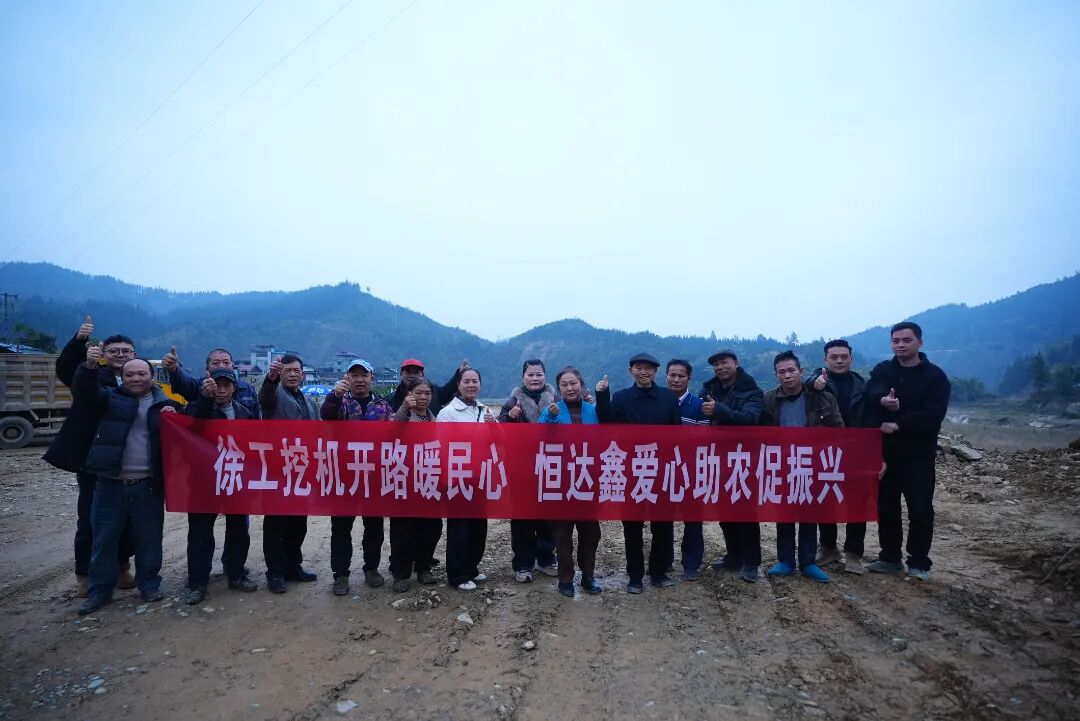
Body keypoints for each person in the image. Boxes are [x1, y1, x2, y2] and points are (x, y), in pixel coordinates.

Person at [73, 355, 184, 614]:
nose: (136, 378)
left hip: (148, 485)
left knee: (149, 539)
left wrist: (175, 417)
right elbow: (84, 392)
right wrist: (88, 366)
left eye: (141, 374)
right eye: (130, 374)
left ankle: (149, 584)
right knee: (103, 540)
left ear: (151, 377)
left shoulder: (166, 406)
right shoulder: (108, 399)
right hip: (109, 484)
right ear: (122, 378)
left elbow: (186, 434)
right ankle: (100, 591)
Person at [45, 317, 136, 597]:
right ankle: (84, 574)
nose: (120, 355)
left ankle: (121, 565)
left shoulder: (139, 378)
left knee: (126, 519)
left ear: (134, 354)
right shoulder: (90, 374)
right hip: (92, 460)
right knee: (89, 519)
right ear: (104, 354)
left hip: (128, 461)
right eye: (114, 351)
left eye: (126, 351)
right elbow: (65, 369)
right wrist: (80, 341)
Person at [865, 322, 951, 581]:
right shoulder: (884, 369)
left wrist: (899, 424)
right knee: (886, 509)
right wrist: (883, 399)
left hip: (918, 456)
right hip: (886, 456)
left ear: (919, 342)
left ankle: (919, 562)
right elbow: (871, 389)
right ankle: (890, 557)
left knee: (920, 510)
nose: (901, 345)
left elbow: (933, 414)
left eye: (906, 340)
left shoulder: (935, 377)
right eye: (896, 341)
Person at [595, 352, 682, 594]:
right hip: (631, 471)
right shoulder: (621, 397)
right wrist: (602, 394)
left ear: (656, 372)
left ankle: (658, 572)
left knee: (662, 526)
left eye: (648, 368)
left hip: (661, 470)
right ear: (631, 371)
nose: (644, 372)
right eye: (639, 368)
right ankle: (634, 576)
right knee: (632, 526)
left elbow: (678, 434)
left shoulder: (667, 397)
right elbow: (606, 421)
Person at [761, 351, 844, 583]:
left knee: (810, 514)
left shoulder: (822, 398)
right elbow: (760, 432)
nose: (787, 375)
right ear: (776, 375)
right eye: (782, 372)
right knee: (784, 515)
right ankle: (786, 561)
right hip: (781, 464)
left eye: (791, 370)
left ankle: (807, 562)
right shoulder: (769, 399)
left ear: (801, 371)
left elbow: (839, 430)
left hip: (812, 463)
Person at [183, 368, 259, 604]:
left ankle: (236, 574)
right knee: (200, 534)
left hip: (235, 479)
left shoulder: (244, 413)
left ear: (234, 388)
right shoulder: (196, 408)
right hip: (204, 482)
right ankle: (198, 583)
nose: (222, 390)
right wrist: (205, 399)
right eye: (217, 385)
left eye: (226, 385)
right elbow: (194, 428)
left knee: (238, 531)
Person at [319, 359, 394, 596]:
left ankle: (371, 569)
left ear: (372, 379)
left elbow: (394, 436)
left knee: (374, 527)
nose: (360, 380)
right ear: (347, 378)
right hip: (344, 478)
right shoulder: (339, 402)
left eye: (364, 375)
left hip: (374, 478)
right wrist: (335, 396)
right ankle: (341, 575)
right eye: (355, 375)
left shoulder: (383, 406)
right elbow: (326, 415)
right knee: (341, 528)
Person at [700, 349, 764, 583]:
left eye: (724, 362)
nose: (720, 367)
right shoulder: (709, 389)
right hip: (717, 458)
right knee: (725, 511)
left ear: (736, 363)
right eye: (716, 364)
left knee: (746, 512)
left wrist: (720, 411)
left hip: (744, 459)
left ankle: (751, 562)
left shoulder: (752, 391)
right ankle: (734, 556)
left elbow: (750, 420)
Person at [259, 354, 320, 594]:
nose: (293, 374)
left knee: (298, 524)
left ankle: (294, 566)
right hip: (278, 470)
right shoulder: (275, 395)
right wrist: (271, 379)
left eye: (296, 370)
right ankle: (275, 572)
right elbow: (265, 396)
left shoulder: (309, 401)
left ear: (302, 374)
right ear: (280, 373)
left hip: (302, 471)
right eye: (287, 371)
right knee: (276, 524)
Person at [539, 367, 603, 597]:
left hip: (587, 479)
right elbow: (535, 437)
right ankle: (565, 579)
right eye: (564, 384)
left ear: (581, 385)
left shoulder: (592, 410)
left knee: (590, 533)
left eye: (573, 383)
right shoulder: (552, 409)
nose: (569, 388)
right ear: (559, 388)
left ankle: (588, 576)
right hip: (561, 480)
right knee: (562, 533)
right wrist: (549, 417)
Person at [809, 339, 871, 574]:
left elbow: (871, 421)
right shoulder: (818, 382)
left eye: (844, 356)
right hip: (826, 452)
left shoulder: (862, 386)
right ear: (825, 360)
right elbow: (806, 382)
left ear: (851, 359)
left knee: (857, 503)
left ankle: (854, 553)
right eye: (834, 357)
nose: (839, 360)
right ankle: (828, 548)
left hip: (856, 451)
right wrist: (814, 382)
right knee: (825, 500)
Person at [436, 368, 497, 591]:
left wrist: (493, 426)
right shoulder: (447, 413)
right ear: (458, 385)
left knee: (478, 526)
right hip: (457, 477)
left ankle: (471, 567)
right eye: (466, 381)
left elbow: (500, 440)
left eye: (475, 381)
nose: (471, 385)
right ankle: (457, 574)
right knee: (459, 528)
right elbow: (441, 447)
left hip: (479, 476)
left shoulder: (485, 410)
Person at [498, 359, 558, 582]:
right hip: (521, 468)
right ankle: (523, 564)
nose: (535, 378)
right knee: (522, 517)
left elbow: (570, 426)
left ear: (545, 376)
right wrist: (509, 418)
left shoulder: (555, 399)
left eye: (539, 374)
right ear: (523, 377)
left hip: (549, 467)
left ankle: (546, 558)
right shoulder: (513, 401)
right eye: (530, 374)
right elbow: (499, 431)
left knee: (547, 517)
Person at [389, 377, 443, 591]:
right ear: (409, 394)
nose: (423, 397)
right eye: (418, 392)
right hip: (404, 479)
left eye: (427, 393)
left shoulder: (436, 419)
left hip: (429, 479)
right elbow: (389, 433)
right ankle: (401, 574)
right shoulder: (400, 415)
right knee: (402, 529)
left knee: (431, 527)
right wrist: (404, 408)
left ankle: (423, 567)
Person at [665, 359, 708, 581]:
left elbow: (703, 440)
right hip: (663, 470)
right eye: (672, 375)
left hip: (691, 470)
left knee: (693, 519)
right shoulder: (659, 401)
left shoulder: (699, 405)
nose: (676, 379)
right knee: (663, 518)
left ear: (689, 378)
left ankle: (691, 563)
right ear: (666, 376)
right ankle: (664, 560)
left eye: (681, 376)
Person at [162, 346, 261, 418]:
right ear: (207, 369)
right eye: (216, 363)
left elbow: (256, 422)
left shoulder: (247, 389)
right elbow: (183, 383)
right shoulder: (200, 386)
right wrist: (174, 369)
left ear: (233, 366)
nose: (221, 366)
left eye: (226, 362)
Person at [389, 358, 466, 416]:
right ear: (401, 374)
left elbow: (448, 392)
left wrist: (459, 375)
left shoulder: (434, 392)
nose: (412, 376)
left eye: (416, 373)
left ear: (422, 374)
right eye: (408, 372)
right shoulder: (390, 400)